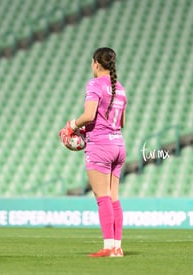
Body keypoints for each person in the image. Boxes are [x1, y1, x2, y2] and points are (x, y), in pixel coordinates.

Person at [60, 47, 127, 257]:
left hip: (100, 146)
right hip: (118, 145)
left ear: (96, 64)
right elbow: (121, 122)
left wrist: (71, 125)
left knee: (103, 198)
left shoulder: (95, 84)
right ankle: (117, 247)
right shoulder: (121, 89)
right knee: (114, 197)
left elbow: (89, 115)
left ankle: (108, 247)